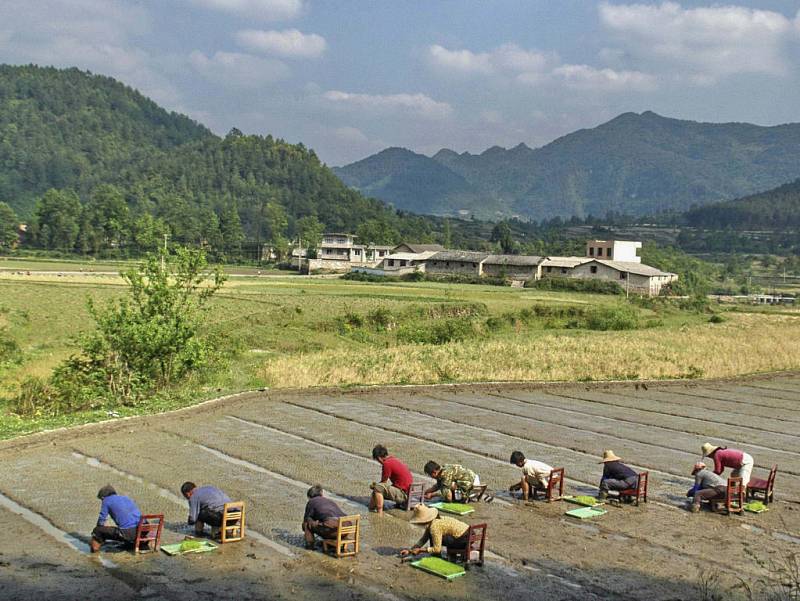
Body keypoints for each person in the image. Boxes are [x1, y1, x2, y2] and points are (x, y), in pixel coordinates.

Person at [399, 504, 469, 558]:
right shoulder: (434, 521)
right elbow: (423, 539)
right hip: (470, 533)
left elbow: (437, 549)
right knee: (432, 535)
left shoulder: (434, 527)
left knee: (435, 537)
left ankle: (437, 556)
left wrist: (420, 550)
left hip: (463, 539)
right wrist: (410, 550)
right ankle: (437, 555)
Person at [90, 485, 143, 553]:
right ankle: (130, 544)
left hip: (127, 534)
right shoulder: (126, 498)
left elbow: (101, 519)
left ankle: (94, 553)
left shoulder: (106, 501)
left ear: (103, 497)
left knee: (97, 530)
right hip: (141, 531)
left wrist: (100, 530)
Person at [369, 444, 413, 514]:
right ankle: (370, 508)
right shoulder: (394, 459)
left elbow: (383, 482)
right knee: (377, 489)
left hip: (403, 494)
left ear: (379, 458)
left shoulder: (387, 463)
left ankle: (379, 511)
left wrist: (374, 486)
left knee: (378, 488)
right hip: (409, 492)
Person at [302, 485, 346, 550]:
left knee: (307, 524)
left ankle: (310, 546)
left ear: (309, 497)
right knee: (324, 523)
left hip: (334, 530)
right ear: (321, 494)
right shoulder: (329, 501)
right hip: (346, 529)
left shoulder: (311, 502)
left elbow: (307, 519)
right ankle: (330, 544)